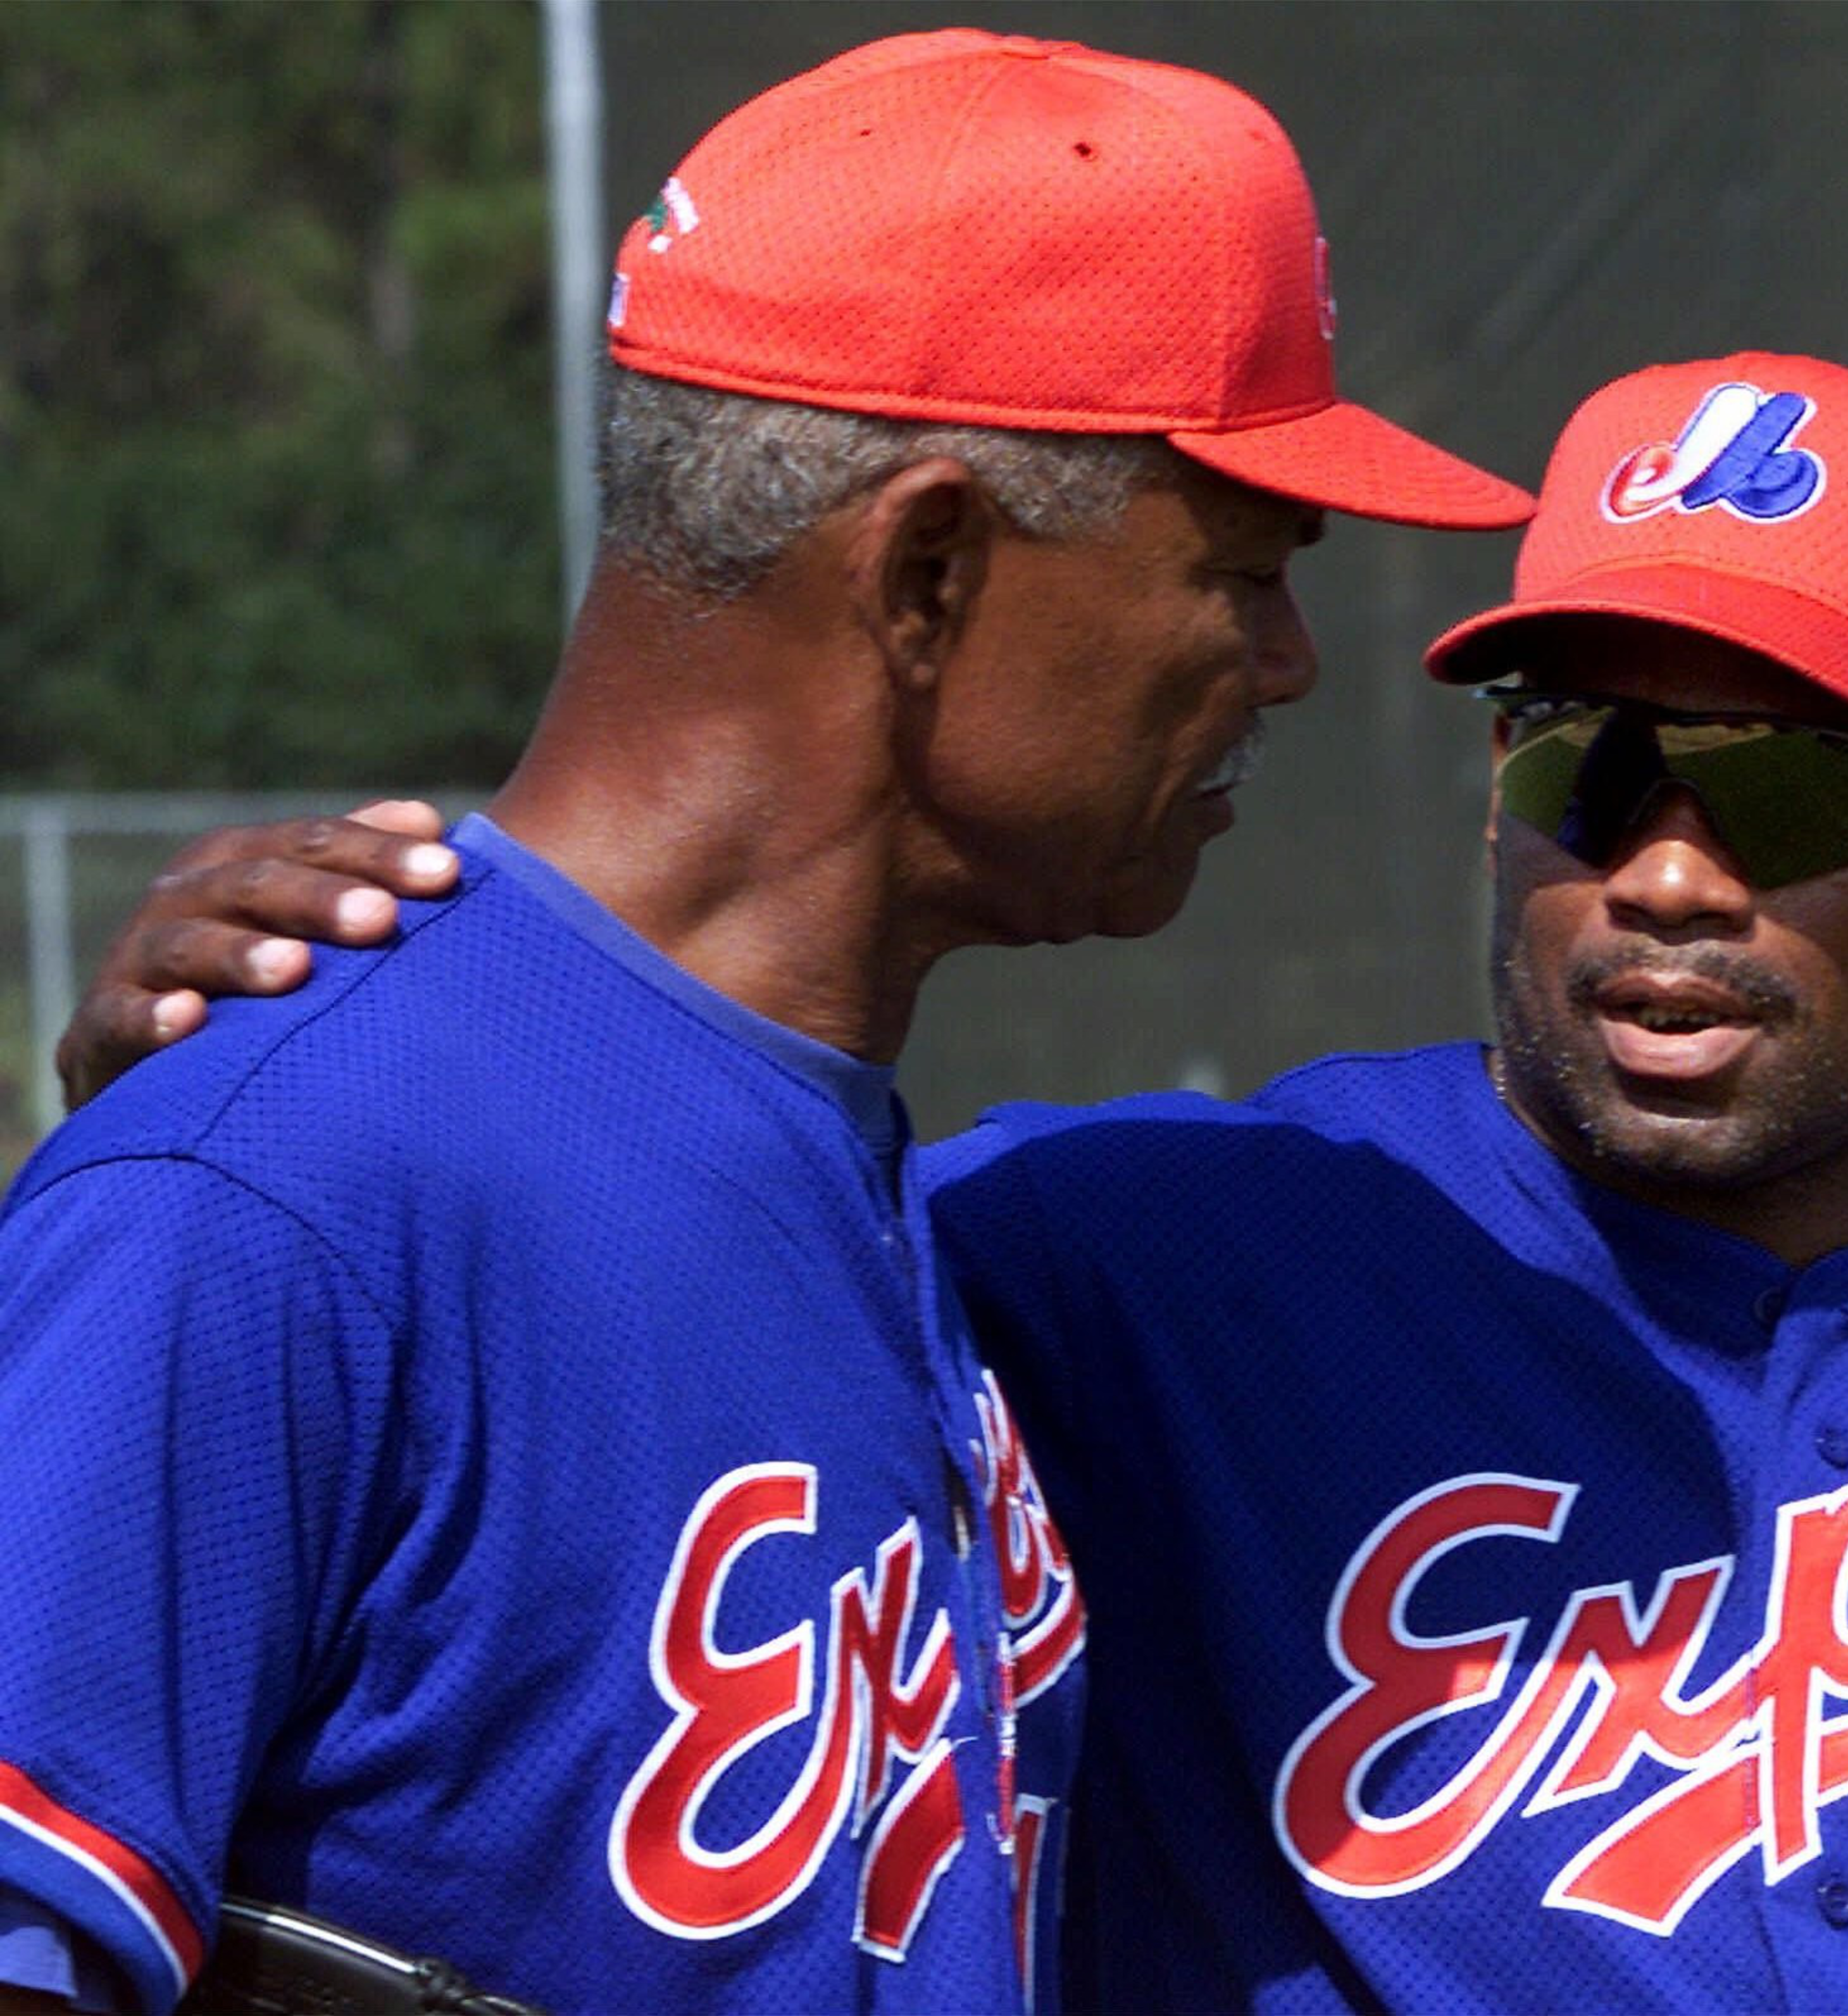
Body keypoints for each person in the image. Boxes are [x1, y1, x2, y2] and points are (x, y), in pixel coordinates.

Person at [55, 356, 1848, 2008]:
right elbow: (581, 1224)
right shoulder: (1132, 1269)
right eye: (1587, 767)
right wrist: (303, 1031)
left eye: (1790, 791)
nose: (1666, 877)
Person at [0, 29, 1530, 2016]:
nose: (1288, 662)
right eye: (1238, 572)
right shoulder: (281, 1184)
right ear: (930, 571)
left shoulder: (840, 1165)